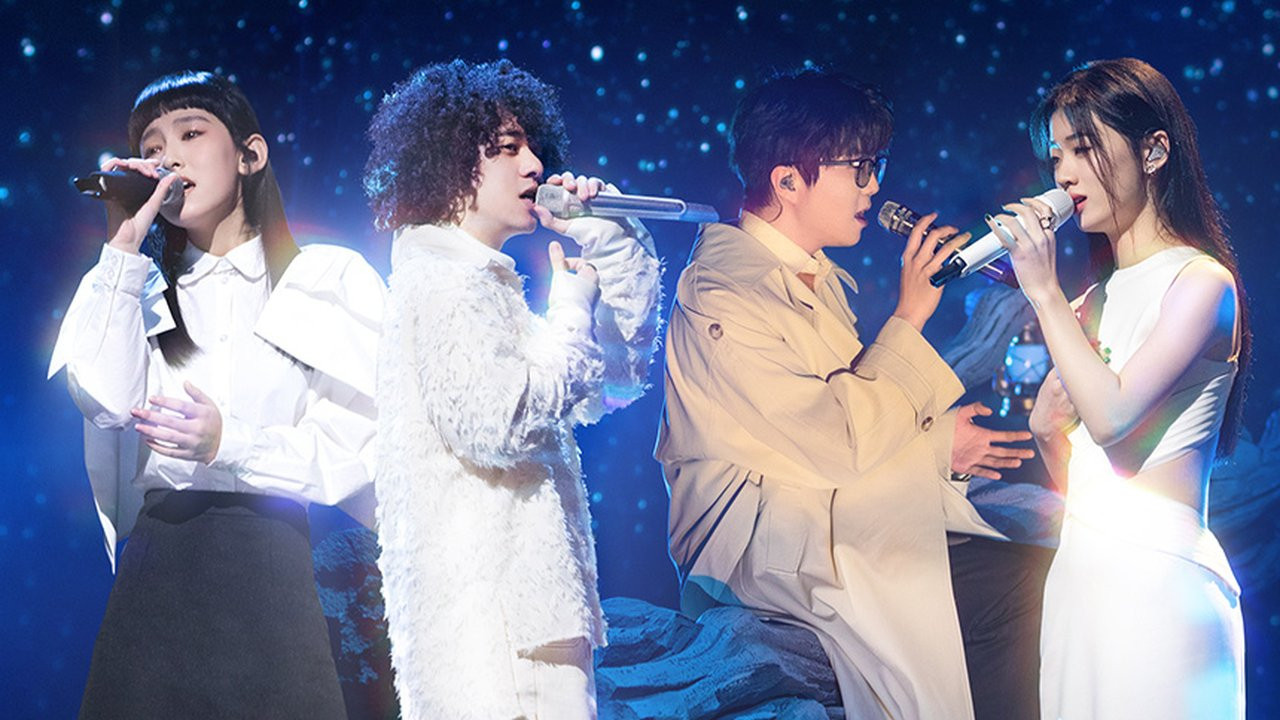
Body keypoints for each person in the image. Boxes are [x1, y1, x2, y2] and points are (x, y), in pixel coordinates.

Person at [655, 69, 1055, 720]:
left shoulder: (813, 276)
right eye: (859, 168)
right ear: (788, 181)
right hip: (763, 547)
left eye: (877, 166)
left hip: (828, 514)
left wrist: (939, 446)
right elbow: (831, 440)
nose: (874, 187)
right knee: (1017, 589)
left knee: (1033, 556)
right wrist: (910, 316)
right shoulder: (722, 292)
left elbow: (841, 417)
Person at [48, 70, 383, 718]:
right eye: (151, 147)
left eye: (191, 133)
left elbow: (357, 445)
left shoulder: (321, 279)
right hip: (160, 565)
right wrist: (123, 244)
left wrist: (231, 443)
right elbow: (106, 403)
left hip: (271, 563)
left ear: (249, 155)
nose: (167, 157)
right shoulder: (136, 289)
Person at [366, 59, 663, 720]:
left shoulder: (479, 282)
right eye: (507, 148)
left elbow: (611, 384)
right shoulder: (442, 282)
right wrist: (571, 310)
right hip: (495, 639)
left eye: (533, 146)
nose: (534, 165)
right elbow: (501, 424)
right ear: (447, 161)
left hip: (529, 624)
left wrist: (609, 246)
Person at [994, 57, 1248, 719]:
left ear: (1154, 151)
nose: (1064, 175)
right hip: (1082, 578)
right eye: (1056, 157)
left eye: (1083, 148)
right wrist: (1045, 432)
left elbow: (1112, 421)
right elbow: (1084, 474)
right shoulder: (1087, 302)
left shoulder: (1201, 284)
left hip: (1159, 587)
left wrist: (1044, 293)